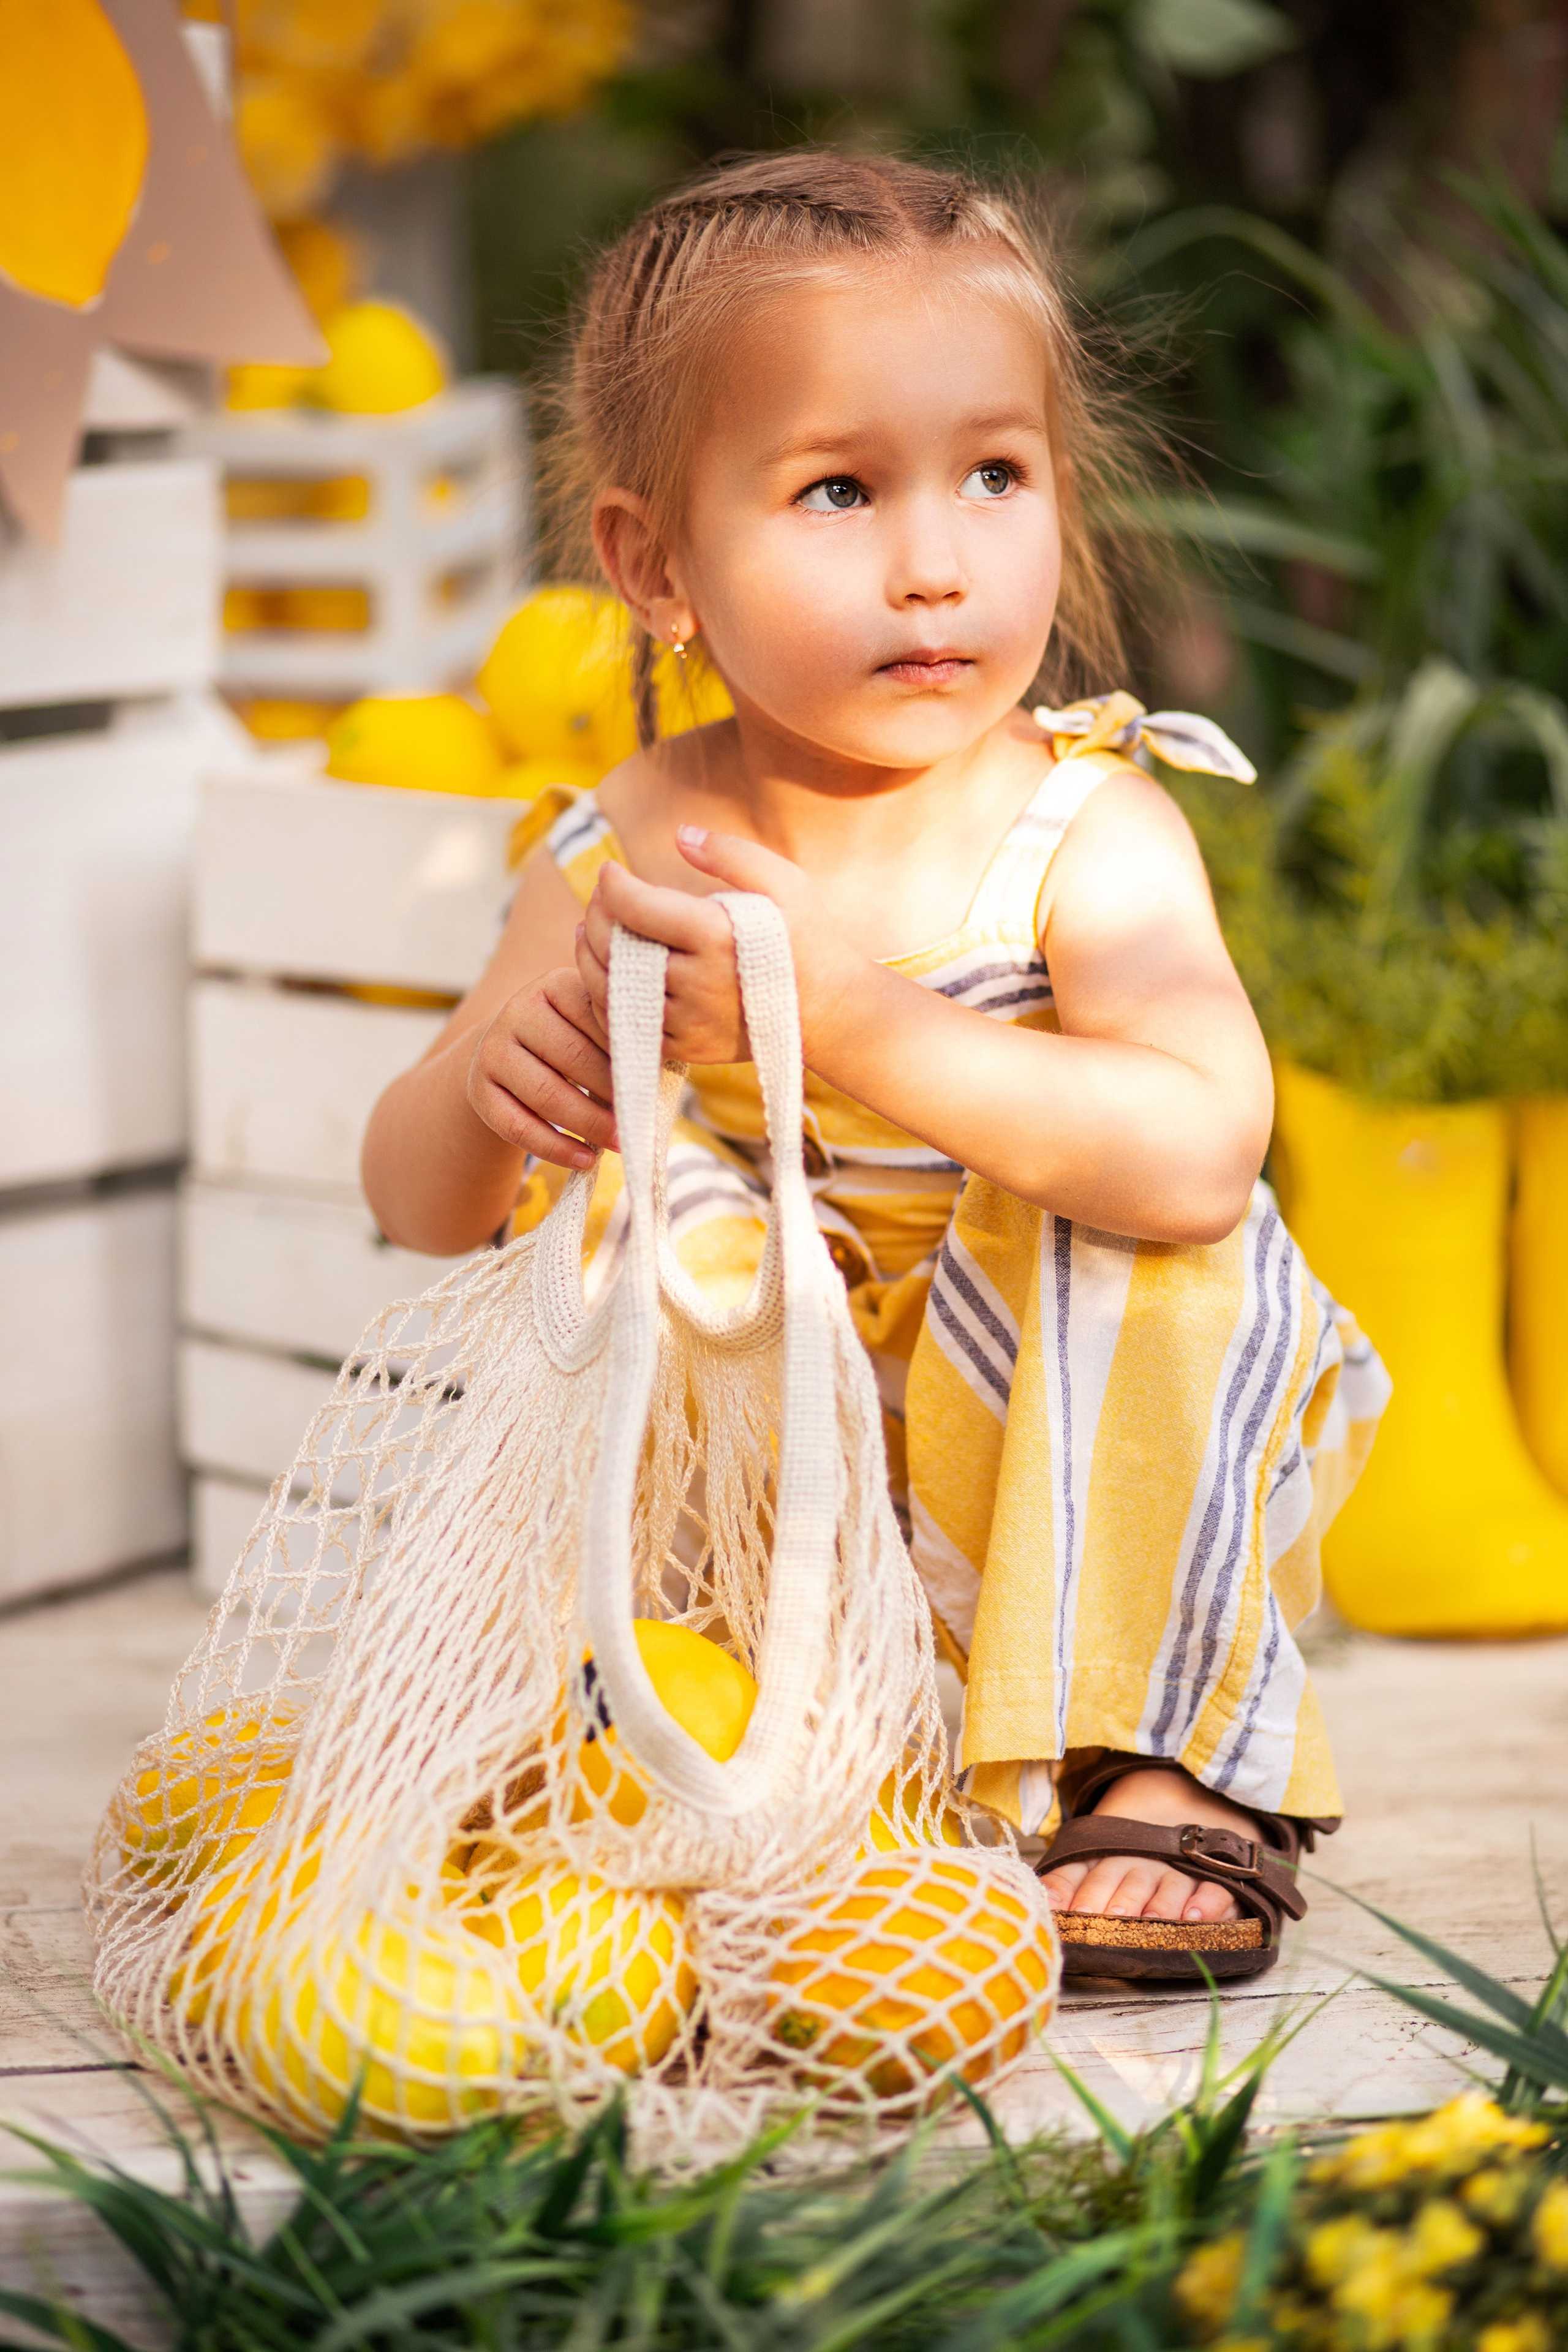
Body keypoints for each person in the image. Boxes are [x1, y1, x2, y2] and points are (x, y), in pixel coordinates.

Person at [363, 151, 1389, 1982]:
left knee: (1146, 1228)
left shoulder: (1088, 832)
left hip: (1076, 1511)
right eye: (839, 490)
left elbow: (1203, 1159)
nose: (935, 564)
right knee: (637, 1217)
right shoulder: (622, 847)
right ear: (655, 566)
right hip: (779, 1549)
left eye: (996, 476)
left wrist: (842, 1014)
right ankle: (767, 1728)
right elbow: (419, 1204)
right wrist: (499, 1085)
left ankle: (1161, 1757)